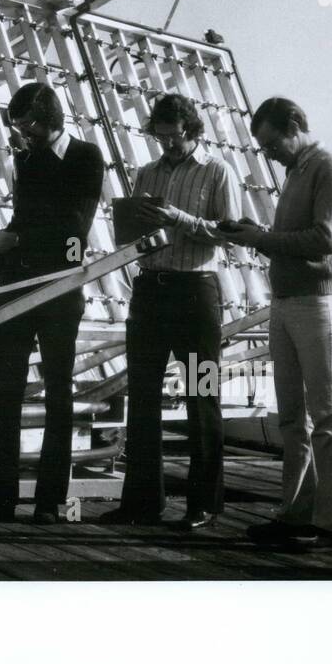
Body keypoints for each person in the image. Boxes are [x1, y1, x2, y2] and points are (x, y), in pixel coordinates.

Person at [219, 97, 332, 550]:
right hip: (287, 303)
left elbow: (325, 240)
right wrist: (258, 234)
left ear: (296, 125)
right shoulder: (298, 172)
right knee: (292, 418)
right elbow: (296, 239)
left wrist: (260, 238)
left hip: (317, 305)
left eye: (272, 144)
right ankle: (299, 512)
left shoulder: (330, 169)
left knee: (326, 413)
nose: (269, 154)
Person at [99, 93, 241, 530]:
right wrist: (128, 222)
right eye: (160, 138)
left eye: (174, 138)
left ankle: (203, 503)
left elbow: (231, 234)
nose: (168, 146)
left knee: (203, 394)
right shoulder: (147, 172)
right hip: (151, 290)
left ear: (192, 130)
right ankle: (142, 502)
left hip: (196, 293)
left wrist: (178, 218)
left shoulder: (219, 172)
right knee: (141, 397)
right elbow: (135, 235)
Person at [0, 83, 104, 524]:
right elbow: (26, 218)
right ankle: (0, 499)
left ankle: (49, 502)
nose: (22, 136)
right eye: (18, 128)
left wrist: (17, 239)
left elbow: (75, 230)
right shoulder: (27, 158)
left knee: (58, 393)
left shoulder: (86, 156)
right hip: (20, 287)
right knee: (7, 392)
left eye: (27, 127)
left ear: (50, 119)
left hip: (60, 291)